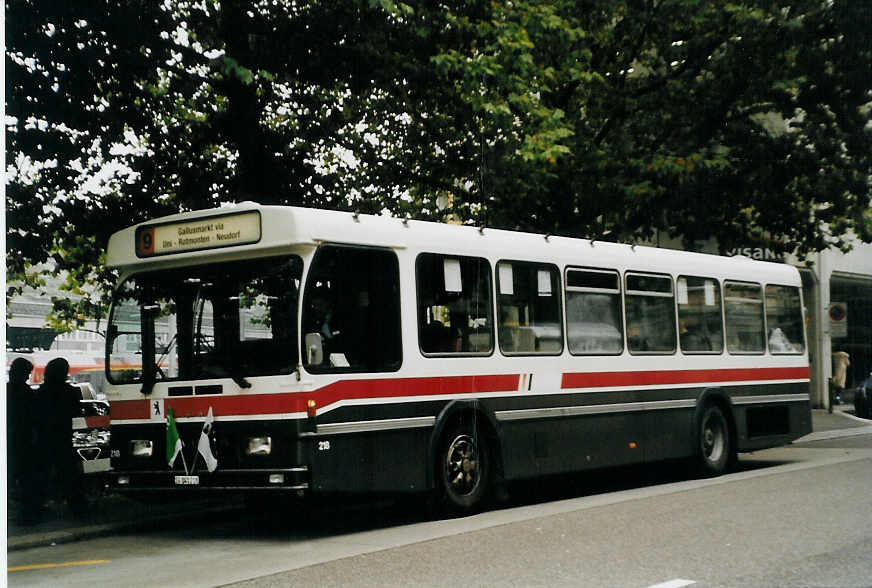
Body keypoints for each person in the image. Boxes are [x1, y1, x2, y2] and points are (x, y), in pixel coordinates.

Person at [36, 358, 85, 514]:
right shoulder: (70, 391)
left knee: (42, 473)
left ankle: (36, 505)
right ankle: (76, 505)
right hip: (63, 437)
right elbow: (77, 412)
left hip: (44, 437)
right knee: (69, 473)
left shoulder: (41, 392)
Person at [7, 358, 35, 513]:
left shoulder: (6, 390)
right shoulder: (27, 393)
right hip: (23, 441)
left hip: (12, 439)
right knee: (25, 476)